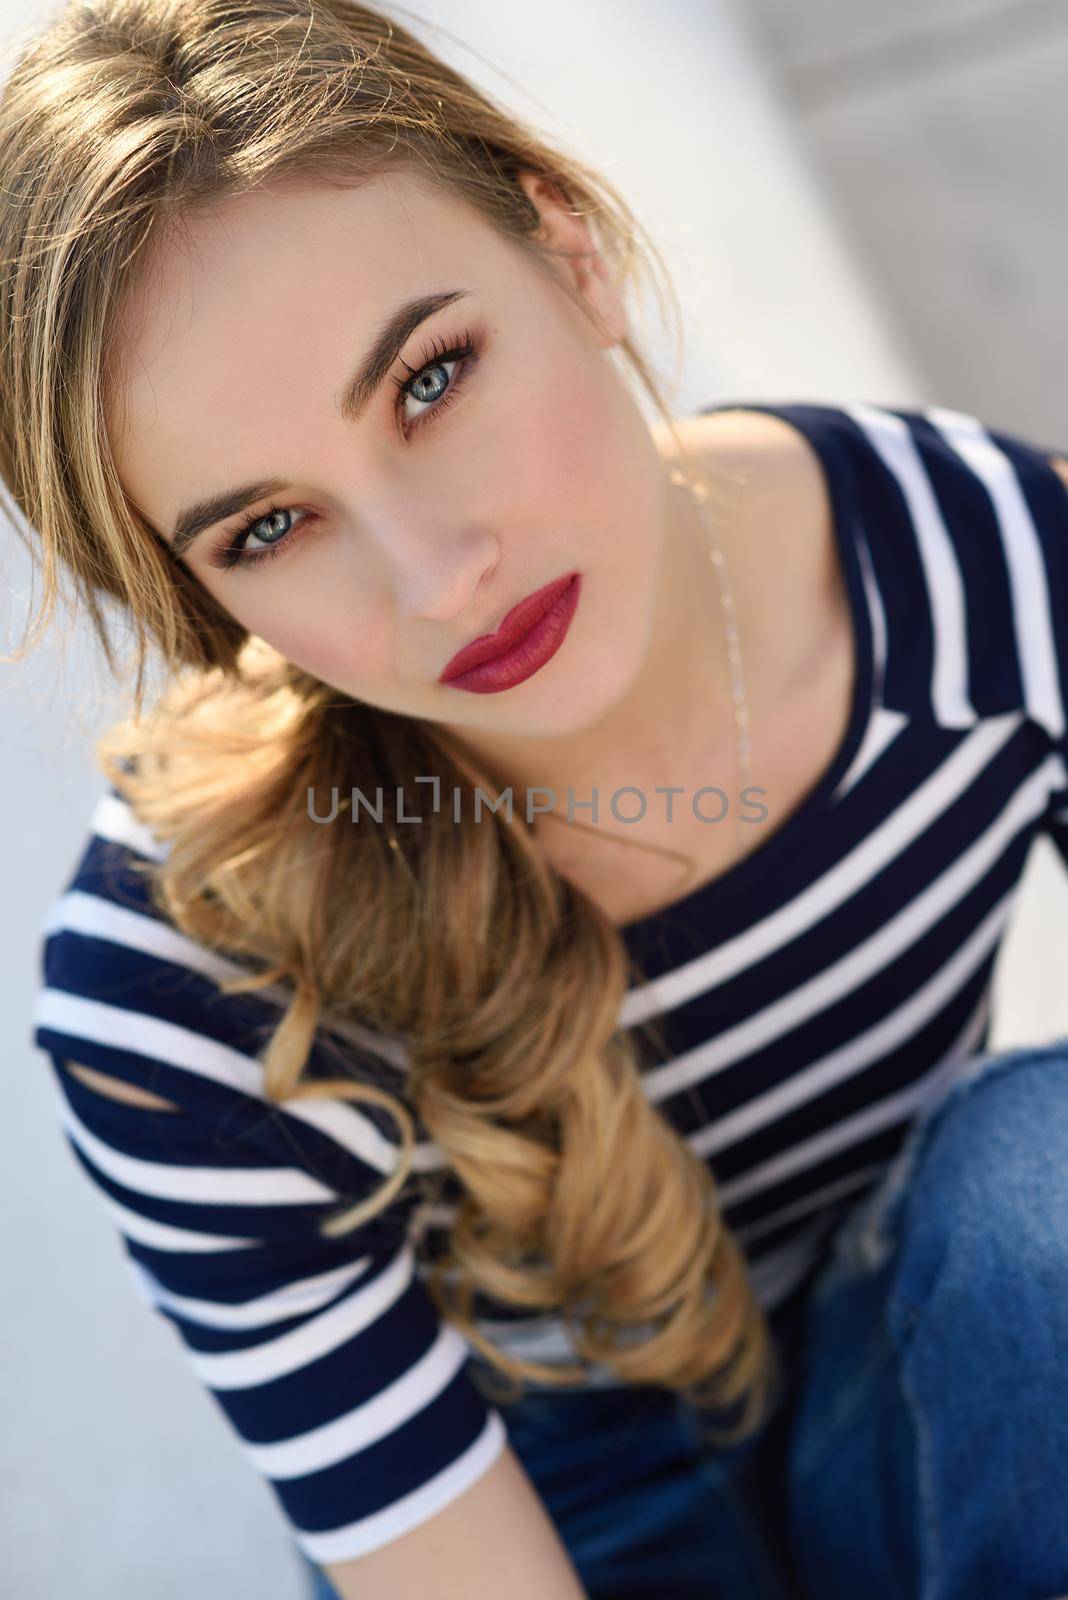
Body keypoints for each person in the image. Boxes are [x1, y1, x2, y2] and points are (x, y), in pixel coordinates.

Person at [8, 1, 1068, 1596]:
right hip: (535, 1506)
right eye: (270, 529)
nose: (438, 581)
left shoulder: (977, 559)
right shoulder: (176, 990)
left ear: (569, 252)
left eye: (432, 379)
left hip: (956, 1398)